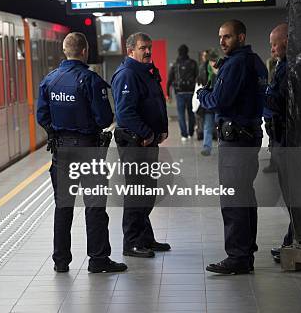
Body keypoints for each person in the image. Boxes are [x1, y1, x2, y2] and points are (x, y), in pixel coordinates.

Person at [37, 32, 127, 274]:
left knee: (63, 207)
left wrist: (56, 132)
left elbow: (42, 116)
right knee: (95, 206)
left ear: (65, 51)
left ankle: (60, 261)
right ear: (85, 51)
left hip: (61, 152)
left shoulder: (49, 81)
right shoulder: (90, 80)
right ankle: (98, 260)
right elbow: (105, 118)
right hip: (89, 151)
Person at [198, 19, 267, 274]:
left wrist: (202, 94)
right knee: (245, 195)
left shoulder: (236, 63)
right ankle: (245, 251)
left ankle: (238, 256)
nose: (222, 41)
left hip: (236, 140)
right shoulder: (256, 62)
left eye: (227, 37)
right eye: (220, 37)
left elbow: (219, 100)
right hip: (249, 137)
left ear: (241, 37)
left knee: (233, 198)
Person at [111, 32, 170, 258]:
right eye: (143, 48)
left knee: (148, 191)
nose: (147, 51)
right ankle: (132, 242)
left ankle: (145, 238)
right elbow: (125, 113)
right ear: (130, 51)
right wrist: (147, 133)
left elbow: (156, 102)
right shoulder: (127, 74)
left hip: (148, 142)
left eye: (149, 47)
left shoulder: (147, 73)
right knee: (137, 192)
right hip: (135, 143)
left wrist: (162, 128)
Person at [264, 23, 292, 263]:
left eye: (275, 43)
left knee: (295, 195)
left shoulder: (292, 67)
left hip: (291, 140)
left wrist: (262, 96)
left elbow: (280, 101)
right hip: (282, 138)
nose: (272, 49)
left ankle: (294, 242)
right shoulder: (283, 65)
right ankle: (292, 240)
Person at [166, 44, 198, 141]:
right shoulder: (193, 63)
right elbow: (198, 78)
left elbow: (169, 81)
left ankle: (184, 135)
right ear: (187, 51)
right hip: (190, 92)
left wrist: (168, 94)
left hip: (179, 93)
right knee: (191, 113)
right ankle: (191, 133)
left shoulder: (175, 64)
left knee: (181, 115)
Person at [200, 50, 219, 156]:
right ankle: (207, 147)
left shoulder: (223, 70)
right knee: (207, 126)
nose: (213, 63)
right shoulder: (205, 70)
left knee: (220, 125)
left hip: (219, 104)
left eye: (215, 60)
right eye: (212, 61)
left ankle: (223, 147)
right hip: (208, 104)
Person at [262, 56, 279, 174]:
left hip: (274, 110)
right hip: (270, 109)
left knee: (275, 138)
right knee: (273, 137)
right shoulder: (273, 66)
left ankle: (275, 164)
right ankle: (274, 163)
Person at [195, 50, 210, 140]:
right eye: (203, 56)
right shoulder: (201, 67)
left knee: (208, 115)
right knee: (201, 114)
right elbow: (199, 78)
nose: (204, 57)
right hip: (203, 93)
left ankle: (206, 133)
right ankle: (201, 132)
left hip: (209, 93)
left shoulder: (212, 66)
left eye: (205, 56)